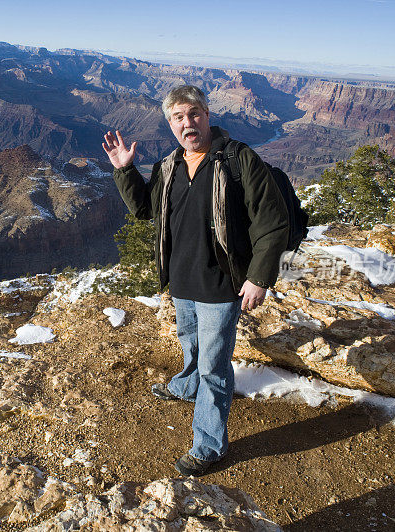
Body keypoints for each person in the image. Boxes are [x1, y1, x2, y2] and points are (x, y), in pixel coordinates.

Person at [102, 84, 289, 476]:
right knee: (190, 342)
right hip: (182, 280)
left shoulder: (239, 160)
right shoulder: (168, 165)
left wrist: (259, 277)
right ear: (170, 124)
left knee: (214, 364)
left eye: (194, 115)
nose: (188, 124)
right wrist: (125, 169)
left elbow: (273, 223)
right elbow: (143, 210)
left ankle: (208, 445)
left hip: (222, 285)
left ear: (207, 115)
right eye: (178, 118)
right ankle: (186, 388)